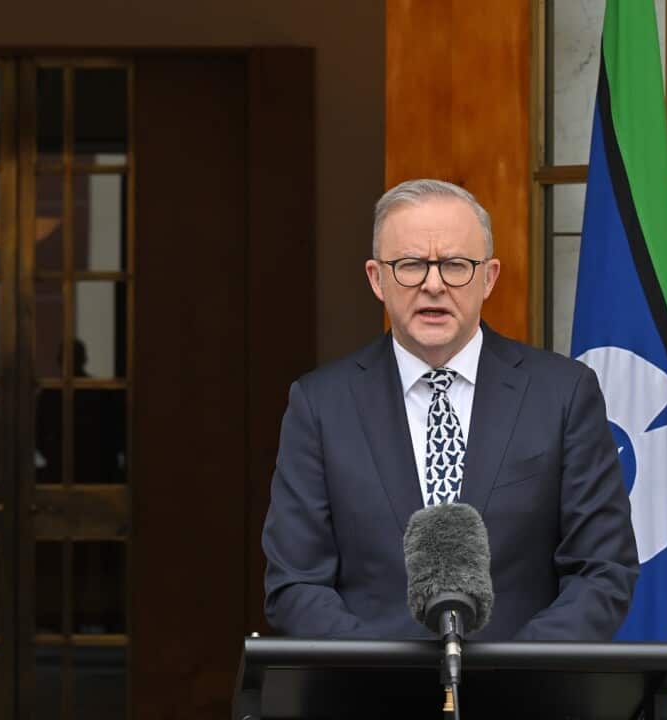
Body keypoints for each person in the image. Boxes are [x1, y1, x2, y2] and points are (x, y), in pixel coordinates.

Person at [262, 179, 638, 641]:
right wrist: (378, 675)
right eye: (411, 265)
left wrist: (520, 674)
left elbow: (602, 570)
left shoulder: (563, 394)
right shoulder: (320, 406)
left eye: (456, 265)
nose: (434, 285)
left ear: (490, 276)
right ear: (376, 279)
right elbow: (295, 583)